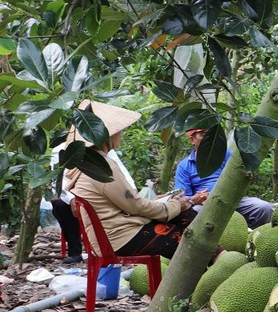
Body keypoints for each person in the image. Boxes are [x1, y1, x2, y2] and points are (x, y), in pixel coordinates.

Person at [63, 102, 199, 258]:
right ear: (107, 135)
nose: (120, 134)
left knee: (185, 221)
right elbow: (135, 206)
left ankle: (217, 260)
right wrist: (173, 206)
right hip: (120, 239)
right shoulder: (103, 167)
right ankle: (218, 260)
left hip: (107, 238)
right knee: (192, 241)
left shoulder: (87, 164)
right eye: (118, 131)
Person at [51, 101, 146, 263]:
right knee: (59, 204)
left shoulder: (105, 151)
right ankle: (75, 251)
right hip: (76, 197)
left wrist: (130, 194)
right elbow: (57, 181)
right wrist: (72, 198)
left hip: (101, 198)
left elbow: (123, 176)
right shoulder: (60, 151)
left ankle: (112, 242)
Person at [174, 128, 274, 228]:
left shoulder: (226, 155)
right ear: (192, 140)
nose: (208, 138)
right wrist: (195, 199)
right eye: (203, 134)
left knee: (263, 208)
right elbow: (183, 198)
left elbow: (239, 179)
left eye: (210, 134)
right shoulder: (184, 166)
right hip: (204, 206)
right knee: (194, 213)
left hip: (232, 200)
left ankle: (250, 237)